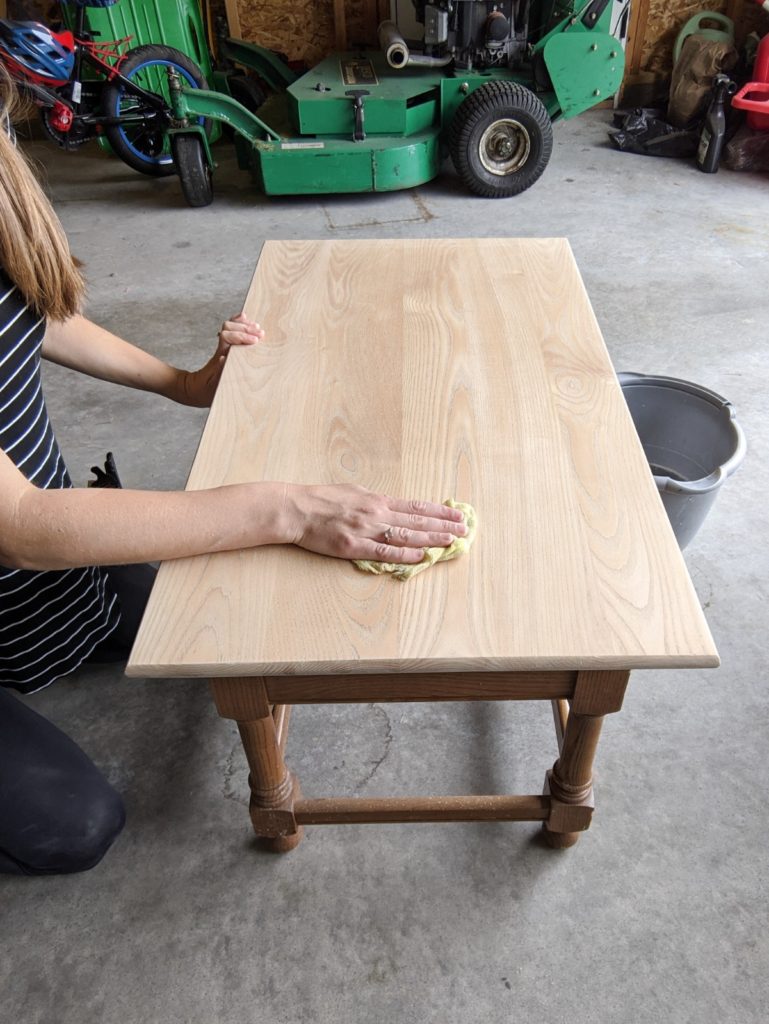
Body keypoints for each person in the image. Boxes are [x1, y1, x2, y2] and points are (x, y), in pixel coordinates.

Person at [0, 68, 467, 876]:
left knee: (232, 624)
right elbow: (25, 528)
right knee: (76, 826)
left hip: (35, 585)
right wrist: (285, 508)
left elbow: (39, 316)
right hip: (26, 545)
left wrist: (183, 385)